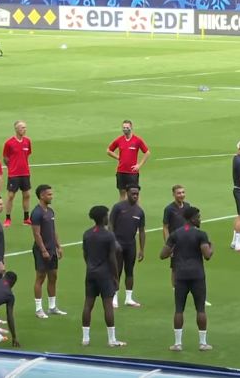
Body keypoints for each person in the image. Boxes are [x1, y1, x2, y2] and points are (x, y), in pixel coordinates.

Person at [160, 207, 213, 351]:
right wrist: (211, 247)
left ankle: (177, 344)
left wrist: (173, 250)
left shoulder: (176, 234)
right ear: (192, 218)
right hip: (197, 275)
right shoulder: (201, 234)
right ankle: (203, 343)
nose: (200, 219)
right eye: (198, 217)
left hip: (181, 275)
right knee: (200, 309)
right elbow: (207, 255)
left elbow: (163, 254)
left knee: (179, 309)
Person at [81, 206, 126, 347]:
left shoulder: (87, 234)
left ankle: (85, 339)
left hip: (91, 272)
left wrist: (90, 266)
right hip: (105, 274)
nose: (108, 218)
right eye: (106, 215)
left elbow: (85, 254)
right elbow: (112, 258)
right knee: (108, 305)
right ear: (102, 218)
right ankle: (112, 340)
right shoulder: (109, 235)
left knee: (88, 304)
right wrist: (116, 277)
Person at [31, 184, 66, 317]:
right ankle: (39, 309)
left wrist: (58, 246)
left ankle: (52, 306)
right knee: (40, 277)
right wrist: (43, 250)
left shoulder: (50, 211)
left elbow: (53, 230)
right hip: (42, 250)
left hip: (51, 249)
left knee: (53, 277)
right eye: (49, 194)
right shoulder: (37, 212)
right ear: (42, 196)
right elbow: (36, 234)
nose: (52, 197)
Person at [109, 184, 146, 307]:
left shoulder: (139, 211)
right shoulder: (118, 207)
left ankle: (128, 298)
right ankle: (114, 297)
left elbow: (141, 230)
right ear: (127, 193)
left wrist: (142, 249)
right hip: (118, 244)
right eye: (133, 193)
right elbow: (111, 224)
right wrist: (112, 242)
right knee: (116, 271)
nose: (135, 196)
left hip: (131, 245)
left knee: (129, 271)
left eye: (137, 194)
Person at [107, 120, 150, 202]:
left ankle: (137, 213)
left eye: (127, 127)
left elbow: (147, 153)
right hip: (121, 171)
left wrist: (139, 165)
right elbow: (109, 150)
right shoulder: (119, 140)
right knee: (122, 193)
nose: (125, 129)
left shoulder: (137, 140)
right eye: (124, 128)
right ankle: (123, 212)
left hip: (132, 172)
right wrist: (118, 157)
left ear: (131, 128)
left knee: (135, 194)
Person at [3, 121, 33, 227]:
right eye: (22, 128)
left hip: (25, 172)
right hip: (14, 174)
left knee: (27, 195)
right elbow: (5, 158)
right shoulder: (9, 143)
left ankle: (26, 218)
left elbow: (27, 155)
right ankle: (7, 218)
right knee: (11, 196)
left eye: (25, 127)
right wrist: (11, 167)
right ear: (16, 129)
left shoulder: (27, 141)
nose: (24, 129)